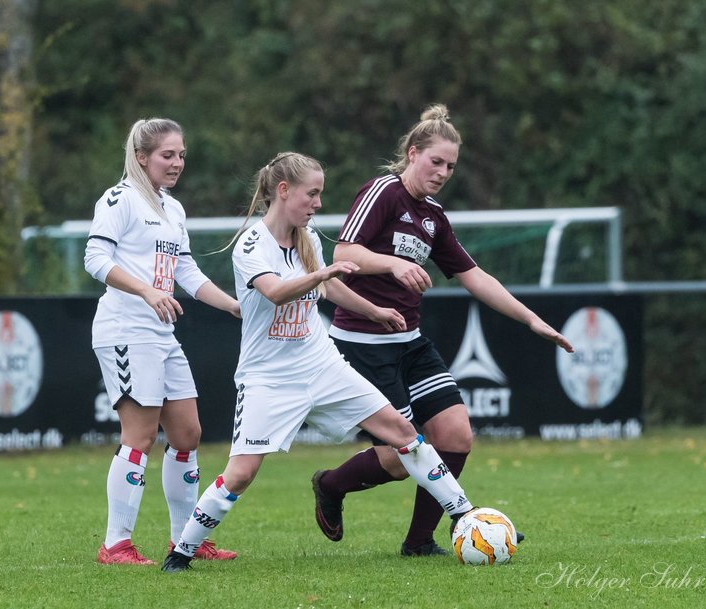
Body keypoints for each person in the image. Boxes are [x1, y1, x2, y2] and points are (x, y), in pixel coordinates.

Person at [162, 152, 477, 573]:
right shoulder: (252, 244)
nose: (318, 203)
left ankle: (465, 516)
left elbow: (328, 290)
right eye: (312, 194)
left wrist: (373, 310)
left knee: (402, 432)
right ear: (283, 190)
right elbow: (276, 291)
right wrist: (324, 275)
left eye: (320, 194)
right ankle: (181, 553)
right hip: (269, 378)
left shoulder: (305, 236)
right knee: (240, 474)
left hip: (322, 364)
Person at [311, 104, 574, 556]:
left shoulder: (433, 214)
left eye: (450, 166)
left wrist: (531, 319)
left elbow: (475, 275)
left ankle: (418, 542)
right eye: (436, 161)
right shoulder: (383, 192)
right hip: (363, 344)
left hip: (410, 343)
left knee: (455, 435)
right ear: (412, 153)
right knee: (398, 458)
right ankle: (331, 486)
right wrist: (394, 264)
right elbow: (344, 255)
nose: (443, 172)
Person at [84, 118, 242, 565]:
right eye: (167, 155)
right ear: (141, 158)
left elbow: (185, 272)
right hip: (125, 330)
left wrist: (232, 305)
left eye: (181, 154)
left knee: (188, 434)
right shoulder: (119, 199)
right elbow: (94, 258)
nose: (177, 163)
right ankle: (115, 544)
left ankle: (185, 540)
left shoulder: (172, 208)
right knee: (138, 436)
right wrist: (147, 290)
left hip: (161, 333)